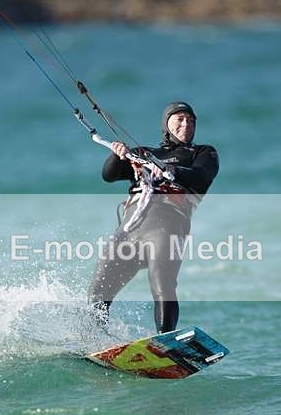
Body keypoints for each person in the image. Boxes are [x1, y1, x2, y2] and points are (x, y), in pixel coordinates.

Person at [88, 101, 219, 334]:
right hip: (130, 230)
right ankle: (93, 339)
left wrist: (170, 171)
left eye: (190, 120)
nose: (186, 124)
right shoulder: (143, 154)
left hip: (167, 225)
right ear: (167, 124)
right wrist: (116, 156)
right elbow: (109, 175)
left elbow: (200, 176)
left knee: (162, 283)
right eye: (179, 119)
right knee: (98, 292)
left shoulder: (203, 153)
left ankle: (165, 340)